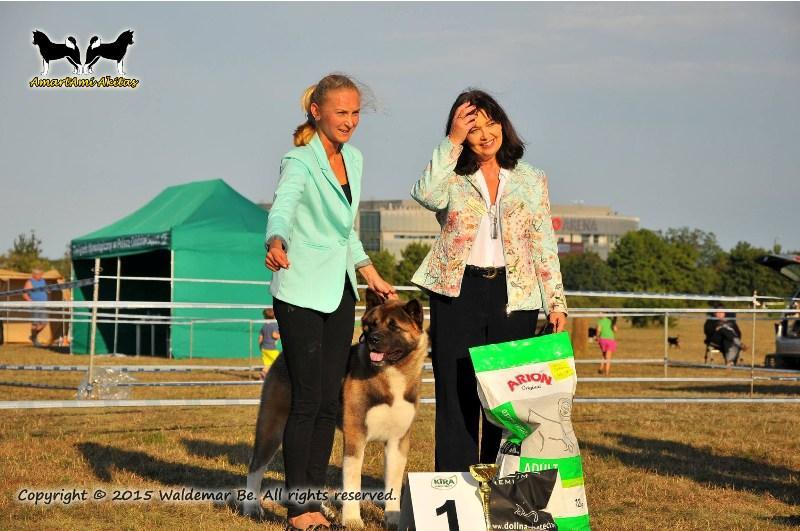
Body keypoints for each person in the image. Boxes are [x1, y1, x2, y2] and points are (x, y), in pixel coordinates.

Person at [264, 73, 396, 531]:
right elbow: (283, 206)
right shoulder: (298, 161)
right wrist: (276, 237)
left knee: (328, 404)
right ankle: (299, 510)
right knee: (306, 400)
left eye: (356, 112)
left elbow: (345, 232)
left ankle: (313, 500)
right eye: (341, 112)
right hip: (298, 288)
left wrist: (370, 273)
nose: (350, 121)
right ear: (317, 112)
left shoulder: (354, 160)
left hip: (340, 292)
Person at [411, 89, 568, 472]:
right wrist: (451, 141)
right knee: (456, 393)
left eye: (490, 123)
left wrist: (556, 302)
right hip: (456, 292)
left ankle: (499, 483)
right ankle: (457, 484)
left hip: (515, 296)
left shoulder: (532, 179)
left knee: (506, 396)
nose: (484, 134)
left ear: (503, 123)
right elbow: (425, 195)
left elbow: (543, 241)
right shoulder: (451, 175)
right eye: (472, 127)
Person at [23, 268, 48, 347]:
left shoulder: (43, 281)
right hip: (35, 306)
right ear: (34, 275)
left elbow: (46, 289)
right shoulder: (29, 282)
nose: (41, 276)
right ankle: (35, 340)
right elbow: (24, 294)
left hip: (43, 305)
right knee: (35, 324)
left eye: (41, 274)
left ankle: (33, 336)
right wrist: (30, 301)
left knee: (44, 323)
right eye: (39, 275)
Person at [258, 308, 280, 380]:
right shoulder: (274, 325)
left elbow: (260, 338)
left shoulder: (264, 326)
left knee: (267, 364)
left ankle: (262, 375)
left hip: (264, 348)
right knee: (280, 361)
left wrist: (260, 347)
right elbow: (274, 335)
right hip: (271, 348)